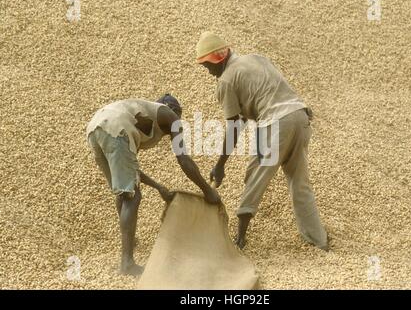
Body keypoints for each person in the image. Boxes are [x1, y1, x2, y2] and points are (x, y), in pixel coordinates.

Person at [196, 32, 329, 251]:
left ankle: (239, 238)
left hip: (276, 123)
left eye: (207, 66)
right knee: (300, 183)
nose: (208, 72)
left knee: (255, 176)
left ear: (217, 60)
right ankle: (319, 241)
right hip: (300, 116)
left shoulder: (227, 80)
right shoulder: (256, 58)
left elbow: (234, 126)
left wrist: (220, 165)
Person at [86, 94, 221, 276]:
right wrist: (207, 190)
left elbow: (131, 169)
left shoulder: (140, 116)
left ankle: (129, 242)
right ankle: (127, 263)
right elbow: (184, 160)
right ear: (172, 110)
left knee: (124, 191)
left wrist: (159, 187)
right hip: (115, 127)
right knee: (132, 196)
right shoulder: (171, 117)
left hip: (96, 127)